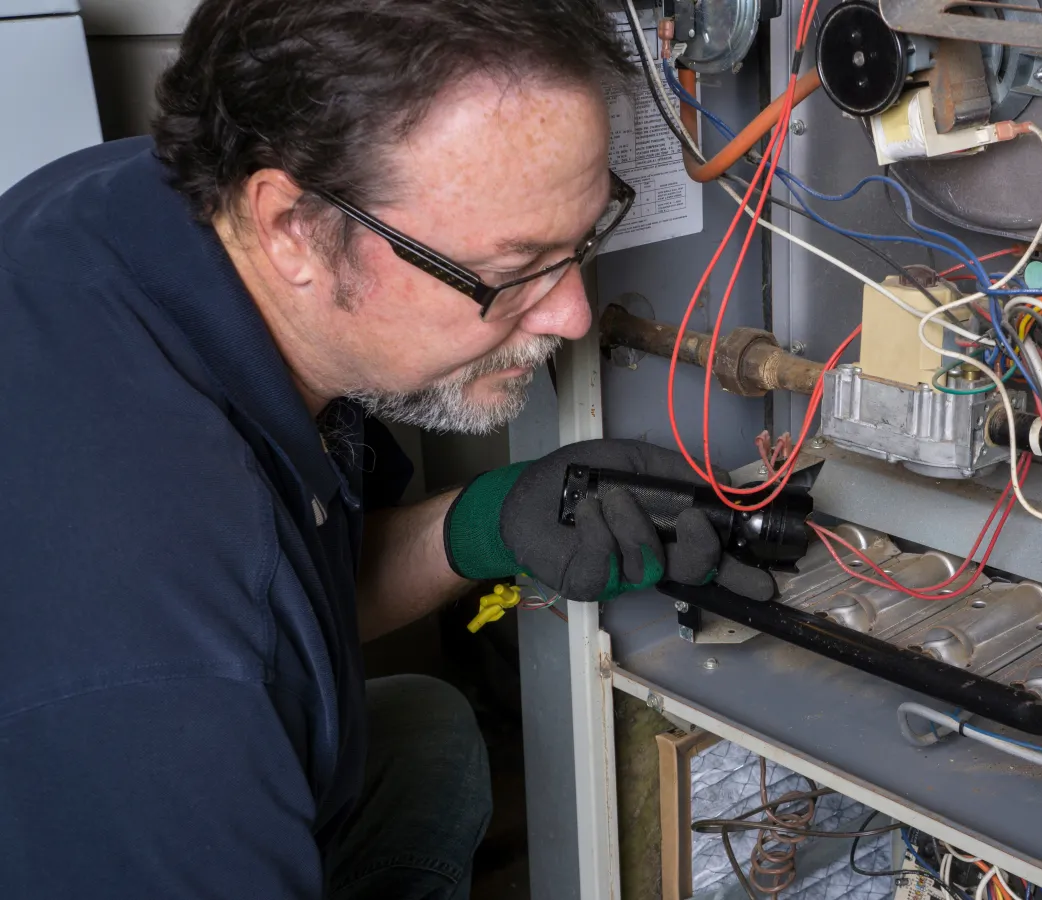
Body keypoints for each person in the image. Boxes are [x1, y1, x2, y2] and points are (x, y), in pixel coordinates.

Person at [0, 0, 773, 897]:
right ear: (292, 226)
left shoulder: (143, 199)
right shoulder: (168, 672)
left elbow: (302, 593)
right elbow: (232, 628)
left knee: (426, 736)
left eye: (584, 239)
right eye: (511, 271)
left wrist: (491, 519)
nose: (567, 316)